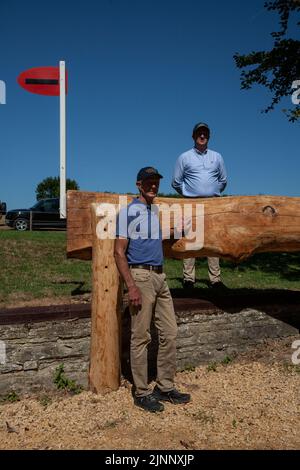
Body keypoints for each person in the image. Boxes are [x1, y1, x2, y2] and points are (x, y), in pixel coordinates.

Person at [114, 166, 191, 413]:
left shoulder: (153, 211)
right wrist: (131, 286)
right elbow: (118, 251)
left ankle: (165, 386)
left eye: (156, 181)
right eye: (148, 182)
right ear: (138, 184)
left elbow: (155, 237)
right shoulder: (127, 213)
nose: (153, 186)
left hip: (160, 276)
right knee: (141, 336)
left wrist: (177, 230)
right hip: (141, 276)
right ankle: (141, 392)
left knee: (170, 332)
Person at [172, 122, 227, 289]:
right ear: (193, 136)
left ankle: (215, 280)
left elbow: (223, 180)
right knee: (190, 239)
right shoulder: (184, 157)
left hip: (212, 203)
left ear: (208, 136)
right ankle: (189, 279)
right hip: (191, 203)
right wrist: (189, 194)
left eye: (205, 133)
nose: (202, 136)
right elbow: (176, 182)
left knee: (213, 240)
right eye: (199, 133)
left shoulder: (217, 157)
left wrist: (214, 193)